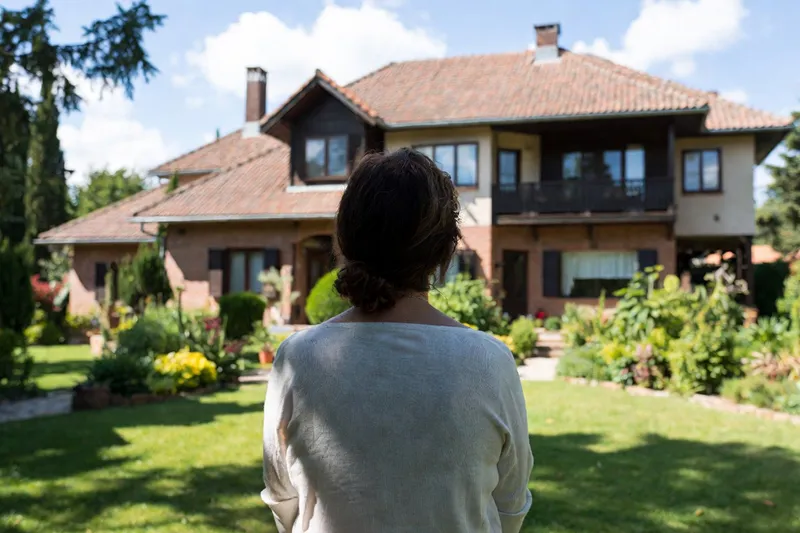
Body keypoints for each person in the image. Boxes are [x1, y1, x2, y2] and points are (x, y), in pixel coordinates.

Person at [261, 148, 533, 533]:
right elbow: (511, 505)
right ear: (445, 250)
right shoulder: (489, 361)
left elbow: (282, 498)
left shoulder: (297, 359)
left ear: (344, 241)